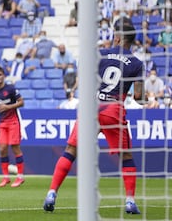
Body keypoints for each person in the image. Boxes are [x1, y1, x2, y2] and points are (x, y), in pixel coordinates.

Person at [43, 24, 143, 215]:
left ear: (118, 37)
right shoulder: (137, 63)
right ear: (132, 41)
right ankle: (130, 201)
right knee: (126, 156)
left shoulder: (102, 53)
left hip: (92, 106)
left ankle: (51, 193)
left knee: (71, 150)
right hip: (113, 109)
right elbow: (138, 97)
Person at [0, 66, 25, 188]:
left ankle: (20, 176)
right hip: (2, 123)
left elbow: (21, 102)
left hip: (13, 121)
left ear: (4, 76)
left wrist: (8, 107)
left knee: (15, 148)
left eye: (0, 75)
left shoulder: (10, 89)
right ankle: (6, 177)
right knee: (2, 148)